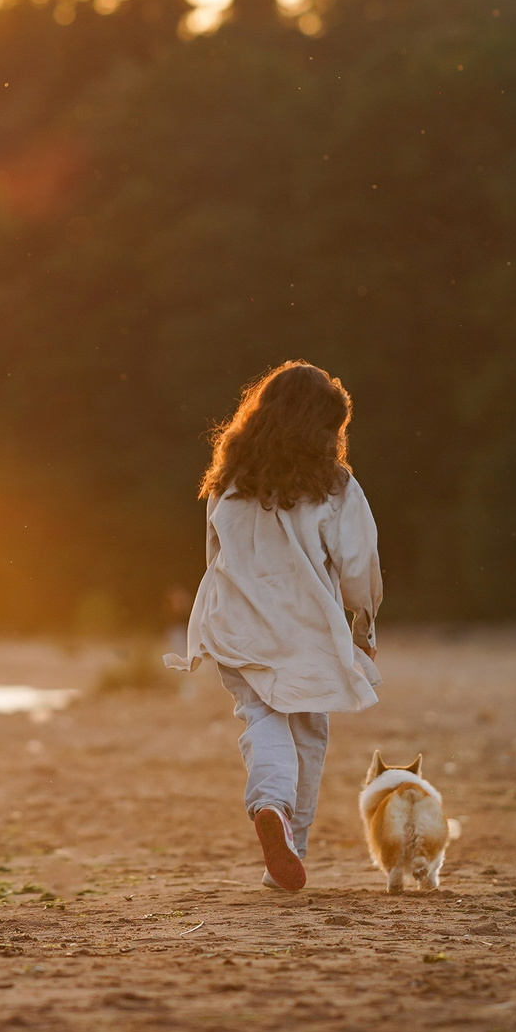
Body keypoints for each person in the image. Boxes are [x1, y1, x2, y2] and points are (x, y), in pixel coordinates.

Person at [166, 361, 382, 891]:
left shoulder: (228, 481)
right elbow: (358, 565)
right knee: (307, 729)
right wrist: (364, 623)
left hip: (237, 622)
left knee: (261, 718)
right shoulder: (335, 487)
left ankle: (272, 808)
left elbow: (214, 554)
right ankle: (288, 845)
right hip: (306, 626)